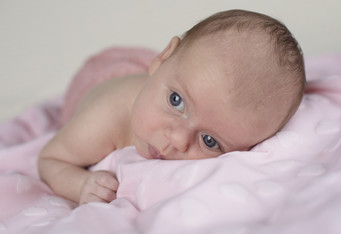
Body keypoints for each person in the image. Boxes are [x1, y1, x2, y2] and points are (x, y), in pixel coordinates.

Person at [38, 9, 305, 205]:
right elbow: (50, 160)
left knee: (188, 74)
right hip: (107, 74)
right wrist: (81, 184)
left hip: (161, 74)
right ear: (163, 58)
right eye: (176, 101)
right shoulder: (104, 118)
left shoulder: (181, 87)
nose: (178, 140)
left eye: (210, 141)